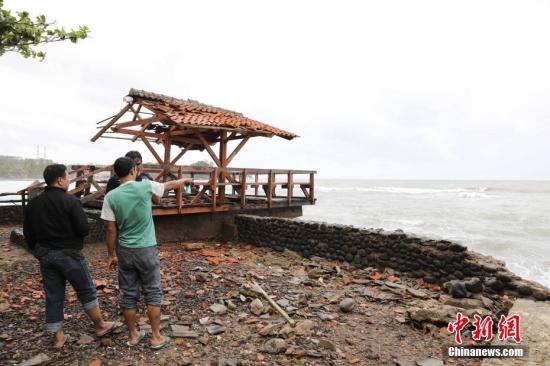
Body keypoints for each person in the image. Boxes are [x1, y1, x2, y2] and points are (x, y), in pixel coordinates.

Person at [23, 164, 118, 349]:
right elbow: (83, 229)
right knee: (86, 290)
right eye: (67, 177)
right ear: (60, 180)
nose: (68, 180)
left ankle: (58, 338)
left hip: (45, 255)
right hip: (69, 254)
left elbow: (28, 233)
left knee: (54, 295)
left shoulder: (34, 203)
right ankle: (99, 325)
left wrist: (38, 252)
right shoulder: (70, 201)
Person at [100, 157, 191, 349]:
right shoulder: (146, 186)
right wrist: (183, 181)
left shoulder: (111, 197)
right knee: (152, 292)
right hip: (146, 248)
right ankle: (156, 337)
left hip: (124, 250)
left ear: (116, 173)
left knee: (129, 294)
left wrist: (111, 255)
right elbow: (169, 185)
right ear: (134, 170)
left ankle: (133, 335)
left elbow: (110, 229)